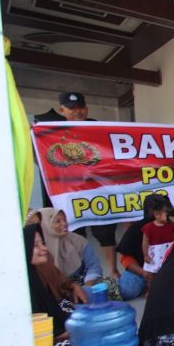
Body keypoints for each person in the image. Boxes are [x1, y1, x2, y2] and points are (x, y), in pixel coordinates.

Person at [36, 91, 120, 278]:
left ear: (86, 108)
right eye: (72, 108)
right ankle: (79, 272)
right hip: (69, 192)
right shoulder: (50, 130)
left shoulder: (97, 127)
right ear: (62, 110)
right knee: (74, 232)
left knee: (106, 230)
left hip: (96, 189)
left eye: (80, 107)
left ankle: (113, 271)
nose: (77, 112)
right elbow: (41, 159)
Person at [23, 224, 75, 346]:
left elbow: (55, 312)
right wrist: (76, 331)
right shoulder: (22, 287)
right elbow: (39, 333)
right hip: (35, 345)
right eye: (35, 246)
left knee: (72, 310)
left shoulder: (34, 275)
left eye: (43, 243)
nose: (44, 249)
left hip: (54, 333)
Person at [38, 207, 120, 298]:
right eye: (58, 221)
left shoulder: (77, 240)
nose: (64, 224)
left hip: (85, 282)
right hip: (59, 289)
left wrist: (88, 284)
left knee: (122, 287)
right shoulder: (39, 247)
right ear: (45, 224)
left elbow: (93, 266)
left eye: (65, 219)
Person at [116, 194, 173, 300]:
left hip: (170, 270)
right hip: (143, 270)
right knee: (127, 291)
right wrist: (143, 273)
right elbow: (125, 259)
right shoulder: (135, 229)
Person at [141, 199, 174, 273]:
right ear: (157, 215)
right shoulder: (148, 227)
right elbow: (145, 242)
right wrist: (146, 255)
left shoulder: (172, 225)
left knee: (169, 271)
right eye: (166, 213)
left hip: (169, 252)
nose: (168, 215)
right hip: (155, 255)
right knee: (153, 273)